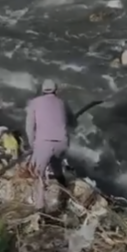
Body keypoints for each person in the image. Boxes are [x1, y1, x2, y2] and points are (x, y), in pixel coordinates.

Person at [25, 79, 75, 210]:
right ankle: (65, 195)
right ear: (56, 90)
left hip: (44, 144)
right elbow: (73, 122)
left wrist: (32, 145)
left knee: (37, 175)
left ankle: (39, 207)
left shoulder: (34, 103)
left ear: (42, 90)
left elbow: (29, 127)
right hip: (62, 144)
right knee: (57, 168)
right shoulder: (62, 103)